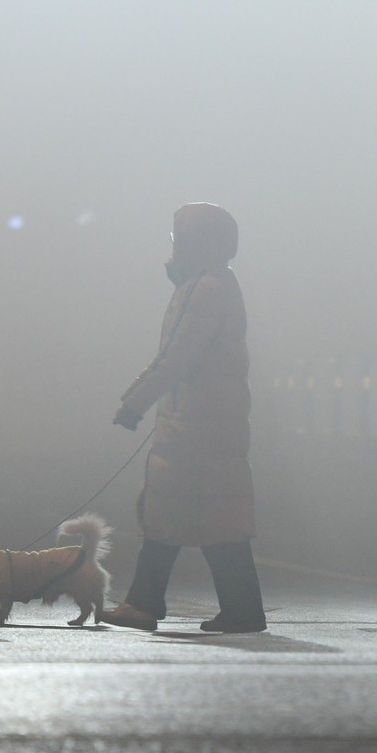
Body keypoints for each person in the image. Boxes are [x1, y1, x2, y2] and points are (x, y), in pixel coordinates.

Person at [105, 202, 267, 633]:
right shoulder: (213, 284)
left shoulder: (205, 289)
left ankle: (143, 603)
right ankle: (241, 608)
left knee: (167, 510)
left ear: (197, 242)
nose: (174, 246)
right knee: (217, 517)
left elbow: (177, 356)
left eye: (180, 238)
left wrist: (135, 403)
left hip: (195, 422)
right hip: (211, 418)